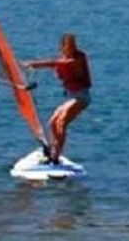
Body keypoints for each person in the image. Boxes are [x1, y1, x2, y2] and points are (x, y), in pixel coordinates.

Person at [27, 33, 93, 163]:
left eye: (73, 45)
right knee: (52, 122)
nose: (72, 48)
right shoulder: (63, 59)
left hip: (81, 97)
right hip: (70, 97)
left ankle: (55, 155)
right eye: (69, 45)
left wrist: (33, 64)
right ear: (62, 47)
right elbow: (56, 64)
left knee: (62, 122)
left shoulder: (79, 58)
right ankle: (52, 150)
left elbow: (57, 63)